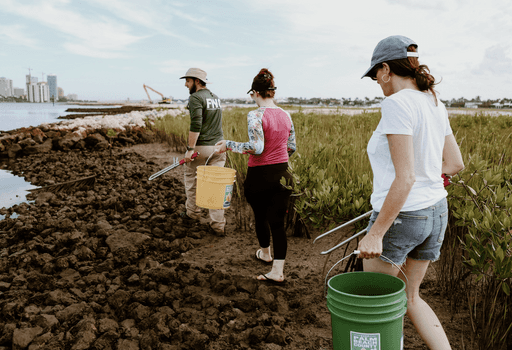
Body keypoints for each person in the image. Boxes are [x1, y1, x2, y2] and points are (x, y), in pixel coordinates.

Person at [358, 35, 464, 350]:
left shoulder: (396, 103)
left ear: (387, 69)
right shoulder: (433, 101)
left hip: (403, 217)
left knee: (375, 305)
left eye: (375, 74)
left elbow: (405, 178)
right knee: (410, 297)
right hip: (436, 213)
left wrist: (376, 233)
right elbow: (455, 164)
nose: (376, 82)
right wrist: (432, 180)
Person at [215, 68, 296, 283]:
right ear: (272, 92)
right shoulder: (286, 115)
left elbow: (256, 148)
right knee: (278, 223)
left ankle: (265, 253)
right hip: (283, 174)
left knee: (260, 216)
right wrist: (278, 160)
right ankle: (277, 271)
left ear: (255, 93)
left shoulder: (256, 115)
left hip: (260, 175)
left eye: (252, 95)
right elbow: (292, 147)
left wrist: (228, 145)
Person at [180, 68, 227, 235]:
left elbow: (196, 125)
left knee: (192, 180)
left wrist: (189, 150)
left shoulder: (195, 98)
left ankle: (193, 214)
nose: (186, 84)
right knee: (216, 186)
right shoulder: (215, 98)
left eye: (188, 81)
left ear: (197, 82)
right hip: (219, 148)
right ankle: (218, 225)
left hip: (202, 148)